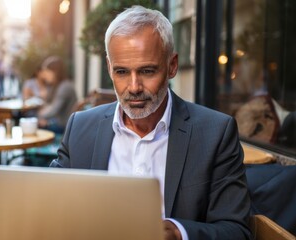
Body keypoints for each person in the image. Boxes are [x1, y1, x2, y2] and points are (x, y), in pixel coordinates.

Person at [50, 6, 251, 240]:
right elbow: (52, 208)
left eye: (147, 71)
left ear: (172, 66)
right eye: (122, 72)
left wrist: (178, 233)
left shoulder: (216, 133)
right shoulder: (80, 129)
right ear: (109, 68)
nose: (134, 87)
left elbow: (236, 231)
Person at [37, 56, 77, 134]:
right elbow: (49, 105)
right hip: (59, 122)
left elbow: (54, 111)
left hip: (64, 126)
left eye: (47, 72)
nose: (45, 76)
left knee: (35, 125)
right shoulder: (58, 85)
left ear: (55, 72)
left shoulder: (65, 87)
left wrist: (40, 115)